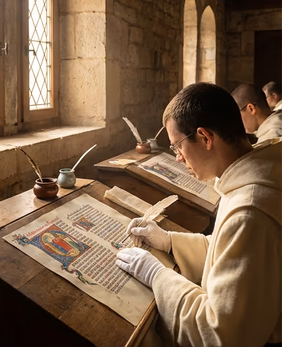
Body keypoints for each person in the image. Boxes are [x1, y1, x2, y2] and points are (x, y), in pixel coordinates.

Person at [115, 82, 281, 347]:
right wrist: (170, 241)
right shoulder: (253, 174)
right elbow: (227, 250)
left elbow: (221, 335)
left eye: (177, 145)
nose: (178, 158)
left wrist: (157, 275)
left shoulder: (250, 212)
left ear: (205, 137)